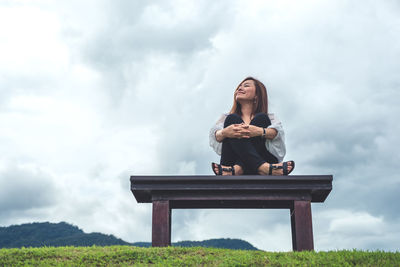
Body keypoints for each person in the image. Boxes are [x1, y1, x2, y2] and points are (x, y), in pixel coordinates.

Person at [209, 77, 295, 176]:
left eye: (246, 86)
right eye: (239, 87)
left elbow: (276, 133)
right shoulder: (226, 117)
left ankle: (238, 169)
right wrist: (225, 132)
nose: (239, 89)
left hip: (233, 170)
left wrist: (259, 131)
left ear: (257, 95)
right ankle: (263, 168)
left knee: (261, 119)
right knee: (232, 119)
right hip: (235, 163)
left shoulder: (269, 117)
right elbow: (214, 135)